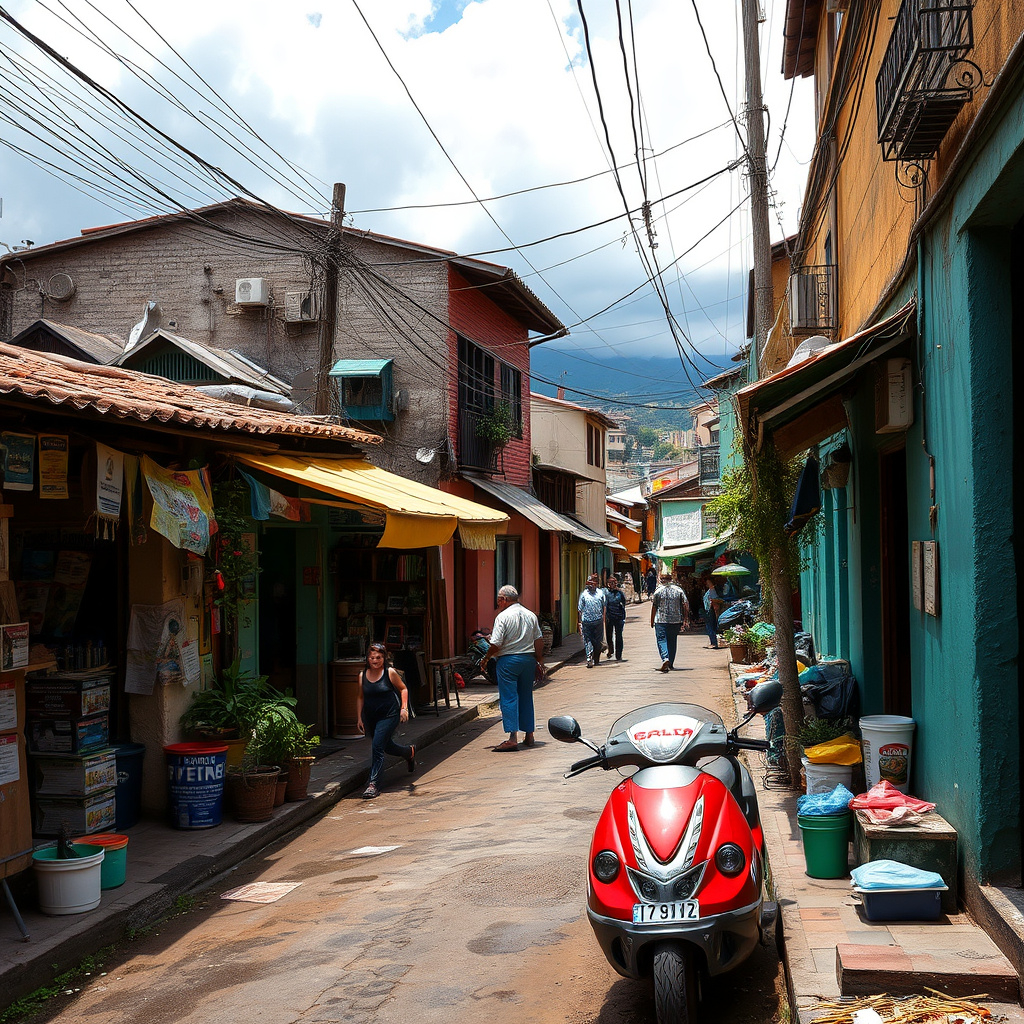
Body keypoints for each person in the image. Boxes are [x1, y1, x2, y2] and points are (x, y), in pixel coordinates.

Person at [479, 585, 545, 752]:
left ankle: (512, 737)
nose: (498, 602)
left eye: (499, 599)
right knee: (526, 696)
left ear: (505, 599)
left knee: (508, 698)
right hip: (528, 660)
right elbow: (539, 640)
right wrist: (539, 660)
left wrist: (486, 658)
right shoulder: (530, 615)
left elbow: (496, 643)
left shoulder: (503, 617)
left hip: (508, 661)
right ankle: (529, 734)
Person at [356, 642, 415, 799]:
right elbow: (360, 697)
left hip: (389, 715)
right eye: (373, 657)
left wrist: (404, 708)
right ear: (368, 658)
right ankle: (408, 752)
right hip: (371, 717)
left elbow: (403, 689)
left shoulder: (390, 673)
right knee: (386, 746)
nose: (376, 660)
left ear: (384, 658)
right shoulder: (362, 676)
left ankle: (373, 784)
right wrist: (359, 718)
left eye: (379, 657)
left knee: (377, 747)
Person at [650, 571, 689, 672]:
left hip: (660, 620)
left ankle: (665, 658)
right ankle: (670, 663)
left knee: (661, 639)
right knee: (672, 641)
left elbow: (654, 606)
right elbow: (685, 604)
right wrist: (685, 619)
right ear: (671, 579)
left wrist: (652, 620)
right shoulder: (679, 590)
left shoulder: (658, 590)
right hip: (675, 620)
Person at [577, 573, 607, 668]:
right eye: (589, 583)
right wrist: (579, 623)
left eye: (593, 583)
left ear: (596, 584)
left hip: (598, 621)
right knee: (587, 640)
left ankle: (596, 659)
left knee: (598, 642)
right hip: (586, 622)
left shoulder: (600, 593)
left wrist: (603, 619)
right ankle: (589, 659)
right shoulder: (584, 595)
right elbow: (579, 609)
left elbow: (604, 606)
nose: (591, 585)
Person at [603, 575, 627, 661]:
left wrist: (622, 616)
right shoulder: (605, 592)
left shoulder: (620, 593)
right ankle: (610, 650)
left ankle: (618, 654)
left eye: (613, 582)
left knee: (619, 636)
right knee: (609, 636)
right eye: (610, 583)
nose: (612, 584)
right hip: (609, 617)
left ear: (616, 583)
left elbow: (624, 603)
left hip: (619, 617)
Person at [702, 576, 723, 649]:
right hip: (708, 610)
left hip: (710, 610)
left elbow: (715, 600)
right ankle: (713, 642)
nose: (707, 584)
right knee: (710, 626)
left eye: (708, 582)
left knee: (711, 627)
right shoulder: (710, 590)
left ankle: (714, 642)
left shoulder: (712, 590)